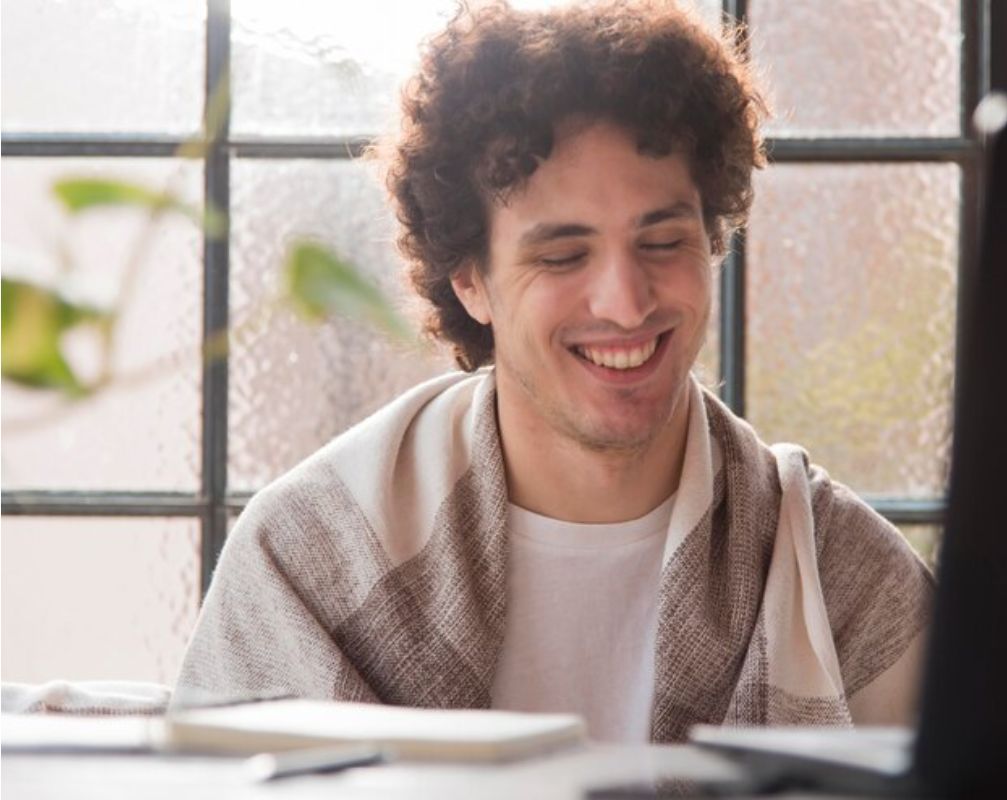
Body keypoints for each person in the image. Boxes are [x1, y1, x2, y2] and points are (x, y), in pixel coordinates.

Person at [175, 0, 933, 743]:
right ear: (471, 279)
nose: (626, 302)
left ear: (712, 240)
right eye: (563, 255)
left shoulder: (849, 584)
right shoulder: (308, 560)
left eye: (663, 241)